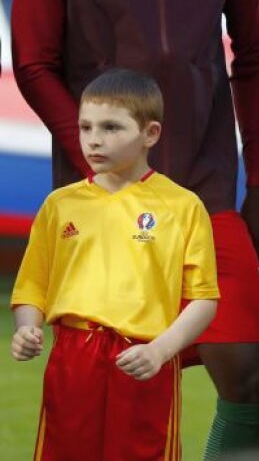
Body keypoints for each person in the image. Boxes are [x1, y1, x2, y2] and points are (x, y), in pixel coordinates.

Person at [11, 0, 259, 458]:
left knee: (249, 376)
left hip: (207, 187)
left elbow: (254, 58)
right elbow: (35, 61)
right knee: (112, 387)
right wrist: (92, 148)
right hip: (102, 197)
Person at [11, 68, 219, 460]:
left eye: (111, 127)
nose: (94, 139)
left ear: (150, 134)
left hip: (143, 357)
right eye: (85, 127)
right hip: (73, 355)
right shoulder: (61, 205)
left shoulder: (183, 206)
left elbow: (204, 299)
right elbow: (33, 287)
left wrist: (160, 351)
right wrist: (27, 328)